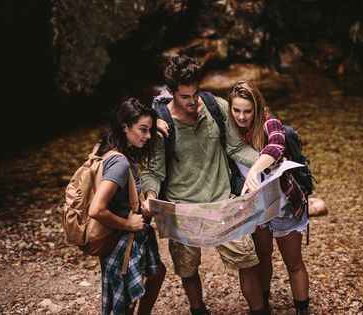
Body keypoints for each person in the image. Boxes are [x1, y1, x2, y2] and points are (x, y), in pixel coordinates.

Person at [141, 55, 271, 315]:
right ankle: (198, 309)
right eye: (185, 97)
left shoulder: (216, 106)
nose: (192, 102)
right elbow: (153, 171)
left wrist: (270, 162)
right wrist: (150, 197)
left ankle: (259, 311)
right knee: (188, 268)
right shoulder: (160, 124)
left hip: (222, 202)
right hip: (182, 209)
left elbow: (235, 147)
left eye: (195, 93)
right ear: (171, 93)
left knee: (247, 260)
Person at [228, 80, 310, 315]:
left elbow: (276, 145)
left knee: (293, 262)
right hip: (256, 206)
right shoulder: (230, 129)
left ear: (257, 107)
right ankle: (264, 306)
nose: (242, 117)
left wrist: (254, 169)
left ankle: (303, 310)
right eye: (236, 110)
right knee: (262, 256)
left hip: (285, 203)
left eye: (247, 111)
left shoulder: (269, 121)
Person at [88, 98, 167, 315]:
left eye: (149, 130)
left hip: (126, 236)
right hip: (123, 239)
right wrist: (129, 224)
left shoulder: (104, 147)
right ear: (125, 126)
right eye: (143, 130)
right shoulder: (120, 162)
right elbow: (96, 210)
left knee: (157, 272)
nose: (148, 136)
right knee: (125, 303)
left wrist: (153, 125)